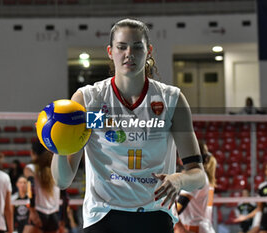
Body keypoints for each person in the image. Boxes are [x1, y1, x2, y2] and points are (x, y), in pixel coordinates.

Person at [51, 18, 206, 233]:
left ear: (149, 50)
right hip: (103, 217)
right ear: (110, 51)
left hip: (155, 216)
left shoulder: (171, 100)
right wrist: (58, 146)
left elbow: (198, 175)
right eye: (121, 47)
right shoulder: (88, 100)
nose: (128, 54)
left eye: (137, 47)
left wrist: (179, 180)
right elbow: (63, 181)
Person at [173, 141, 217, 233]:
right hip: (199, 227)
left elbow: (178, 208)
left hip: (194, 228)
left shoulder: (195, 177)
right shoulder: (201, 175)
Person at [23, 140, 60, 233]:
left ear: (32, 152)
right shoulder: (55, 169)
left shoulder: (30, 168)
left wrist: (32, 210)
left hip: (38, 212)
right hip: (54, 215)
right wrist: (63, 219)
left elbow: (30, 185)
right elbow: (64, 193)